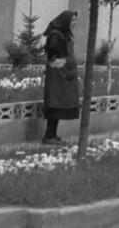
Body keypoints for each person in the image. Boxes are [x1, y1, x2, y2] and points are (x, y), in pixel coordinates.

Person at [40, 10, 80, 145]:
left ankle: (53, 135)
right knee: (54, 105)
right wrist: (68, 66)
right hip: (57, 78)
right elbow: (53, 59)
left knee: (59, 105)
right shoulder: (55, 37)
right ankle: (48, 136)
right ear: (65, 21)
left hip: (63, 77)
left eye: (75, 20)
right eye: (72, 20)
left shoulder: (65, 34)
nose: (74, 23)